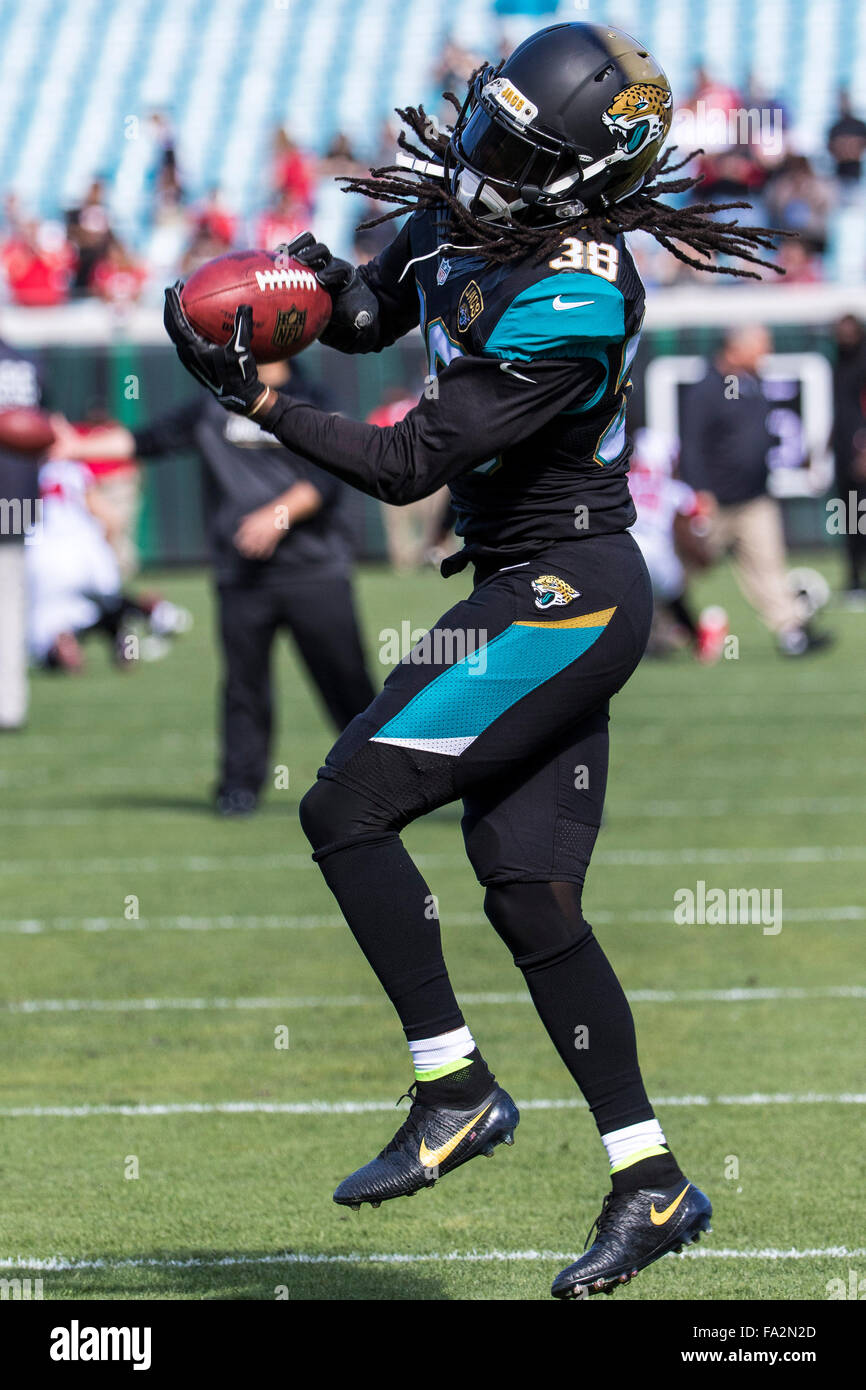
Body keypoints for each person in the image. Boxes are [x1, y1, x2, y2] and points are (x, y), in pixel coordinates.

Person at [164, 22, 788, 1298]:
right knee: (525, 894)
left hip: (564, 589)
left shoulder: (579, 287)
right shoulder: (467, 217)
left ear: (576, 173)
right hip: (519, 578)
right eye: (483, 123)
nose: (475, 153)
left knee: (344, 803)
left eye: (511, 143)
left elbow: (406, 464)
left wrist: (262, 402)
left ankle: (451, 1084)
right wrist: (310, 283)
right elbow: (369, 312)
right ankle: (650, 1180)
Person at [52, 358, 376, 817]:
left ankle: (381, 778)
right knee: (244, 687)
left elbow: (330, 478)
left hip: (314, 570)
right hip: (241, 573)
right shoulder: (216, 403)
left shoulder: (315, 400)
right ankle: (239, 787)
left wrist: (277, 517)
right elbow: (143, 440)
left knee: (346, 682)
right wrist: (74, 446)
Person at [679, 325, 831, 656]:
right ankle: (655, 631)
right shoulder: (706, 388)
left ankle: (793, 636)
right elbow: (691, 445)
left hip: (754, 499)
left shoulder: (753, 384)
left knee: (770, 569)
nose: (767, 354)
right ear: (737, 348)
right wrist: (700, 492)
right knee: (680, 572)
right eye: (761, 346)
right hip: (715, 502)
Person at [0, 336, 44, 730]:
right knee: (10, 604)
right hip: (18, 495)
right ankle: (9, 705)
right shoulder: (26, 360)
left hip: (13, 492)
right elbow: (44, 427)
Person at [829, 314, 866, 599]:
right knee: (851, 519)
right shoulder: (838, 363)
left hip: (860, 454)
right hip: (844, 455)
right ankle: (854, 580)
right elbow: (841, 410)